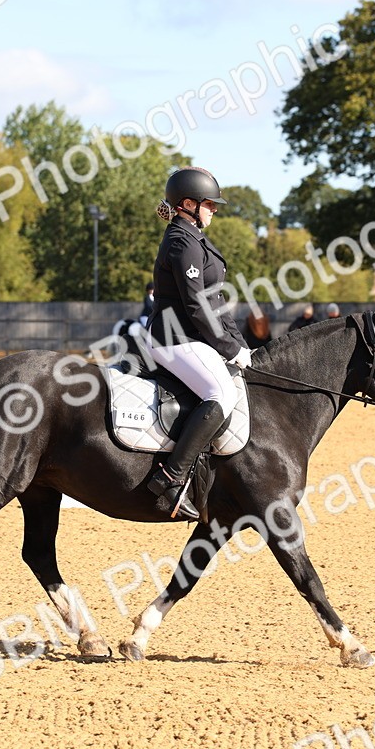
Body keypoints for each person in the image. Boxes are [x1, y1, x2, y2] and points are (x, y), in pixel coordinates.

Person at [144, 166, 250, 521]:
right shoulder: (180, 241)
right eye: (209, 203)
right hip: (173, 338)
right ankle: (171, 478)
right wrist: (228, 349)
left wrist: (240, 345)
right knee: (221, 393)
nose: (214, 209)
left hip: (192, 338)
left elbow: (215, 302)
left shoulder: (194, 238)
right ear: (188, 204)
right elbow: (195, 305)